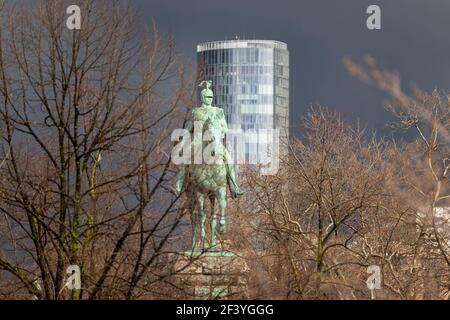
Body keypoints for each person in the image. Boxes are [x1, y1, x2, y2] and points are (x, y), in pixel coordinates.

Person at [175, 80, 244, 198]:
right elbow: (188, 129)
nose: (210, 99)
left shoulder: (218, 111)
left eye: (211, 96)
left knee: (229, 160)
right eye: (207, 96)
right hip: (198, 140)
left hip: (215, 141)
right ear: (202, 97)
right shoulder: (195, 112)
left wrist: (218, 133)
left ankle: (234, 187)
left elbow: (225, 128)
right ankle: (178, 184)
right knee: (183, 158)